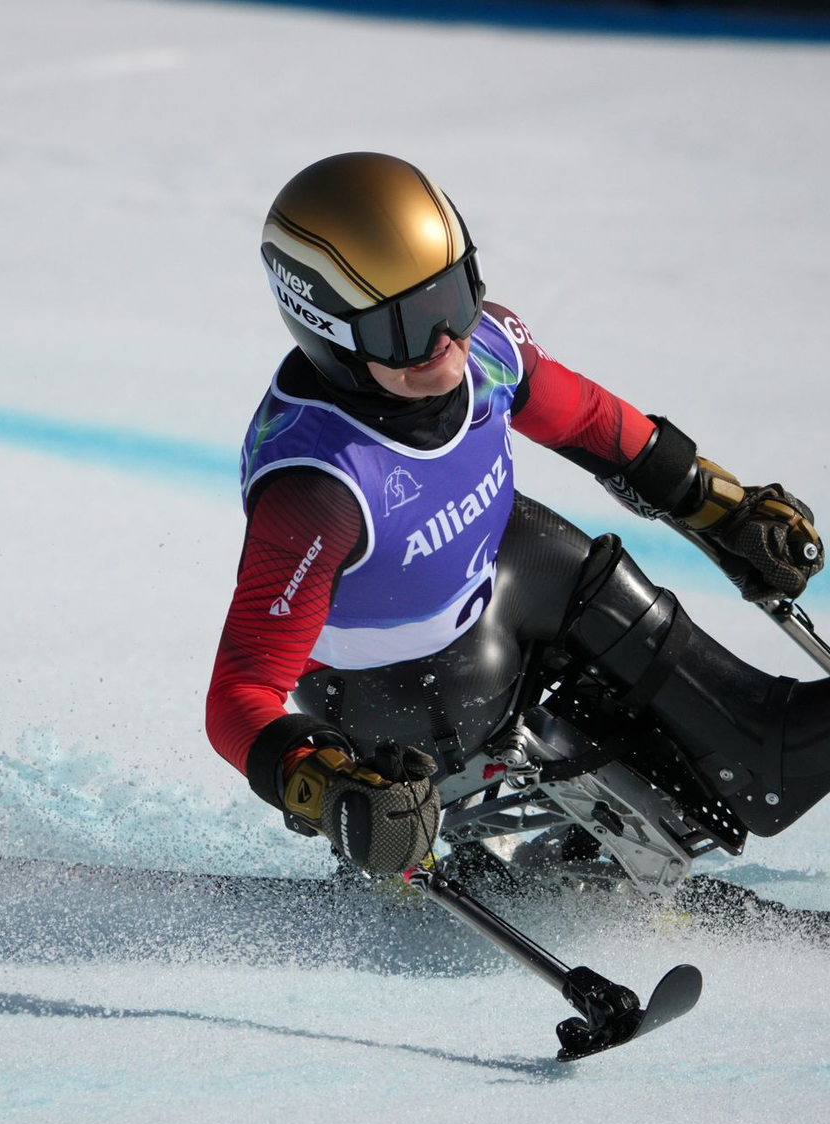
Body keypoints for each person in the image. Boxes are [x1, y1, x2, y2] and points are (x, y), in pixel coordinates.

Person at [205, 151, 828, 878]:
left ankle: (753, 747)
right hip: (402, 706)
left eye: (454, 295)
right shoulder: (321, 487)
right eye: (405, 326)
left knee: (546, 543)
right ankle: (468, 829)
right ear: (330, 330)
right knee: (528, 543)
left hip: (492, 608)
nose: (446, 341)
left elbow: (594, 424)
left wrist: (718, 502)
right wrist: (325, 784)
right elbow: (238, 691)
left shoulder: (487, 353)